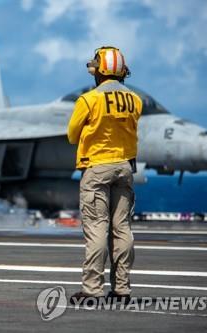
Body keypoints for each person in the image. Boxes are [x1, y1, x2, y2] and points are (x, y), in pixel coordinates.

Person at [67, 46, 143, 303]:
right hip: (124, 167)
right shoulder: (135, 99)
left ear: (98, 71)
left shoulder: (88, 100)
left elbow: (71, 135)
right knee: (122, 229)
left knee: (97, 228)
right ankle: (122, 289)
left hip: (97, 168)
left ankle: (92, 289)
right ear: (123, 72)